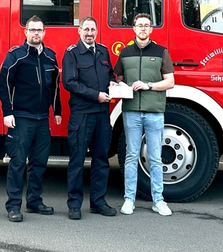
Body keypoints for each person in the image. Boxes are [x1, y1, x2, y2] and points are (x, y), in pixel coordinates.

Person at [0, 16, 62, 222]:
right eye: (32, 30)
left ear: (44, 32)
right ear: (25, 32)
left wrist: (57, 110)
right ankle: (13, 206)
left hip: (42, 119)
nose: (36, 33)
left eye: (39, 30)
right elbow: (4, 85)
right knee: (17, 162)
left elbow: (55, 86)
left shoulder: (51, 57)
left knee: (39, 162)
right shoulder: (15, 55)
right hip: (21, 118)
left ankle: (34, 201)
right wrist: (8, 112)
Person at [114, 12, 175, 216]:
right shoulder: (125, 53)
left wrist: (148, 85)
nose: (142, 28)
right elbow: (119, 78)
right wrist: (119, 85)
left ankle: (158, 200)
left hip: (154, 112)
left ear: (151, 29)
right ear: (134, 29)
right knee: (131, 156)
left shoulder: (161, 52)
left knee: (155, 158)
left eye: (146, 25)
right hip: (131, 111)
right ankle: (129, 199)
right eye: (139, 25)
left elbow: (170, 82)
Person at [62, 17, 117, 220]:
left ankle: (98, 202)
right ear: (79, 31)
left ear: (97, 31)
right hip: (82, 115)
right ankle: (74, 205)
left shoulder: (103, 51)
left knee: (101, 160)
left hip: (102, 115)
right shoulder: (71, 53)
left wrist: (112, 83)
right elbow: (70, 82)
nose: (90, 33)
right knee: (77, 161)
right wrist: (96, 95)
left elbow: (109, 74)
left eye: (93, 29)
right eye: (86, 29)